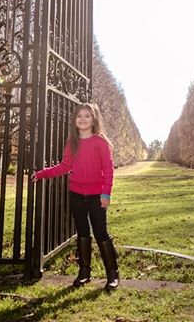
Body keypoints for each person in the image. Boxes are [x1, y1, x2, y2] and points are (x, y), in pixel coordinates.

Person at [31, 102, 120, 290]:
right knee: (82, 233)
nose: (83, 119)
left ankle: (112, 274)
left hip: (97, 195)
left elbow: (108, 170)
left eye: (87, 116)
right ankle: (84, 273)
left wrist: (106, 193)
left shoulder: (101, 142)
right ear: (75, 120)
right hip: (77, 194)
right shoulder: (72, 142)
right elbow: (65, 166)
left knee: (100, 232)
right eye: (79, 116)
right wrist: (42, 173)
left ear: (94, 119)